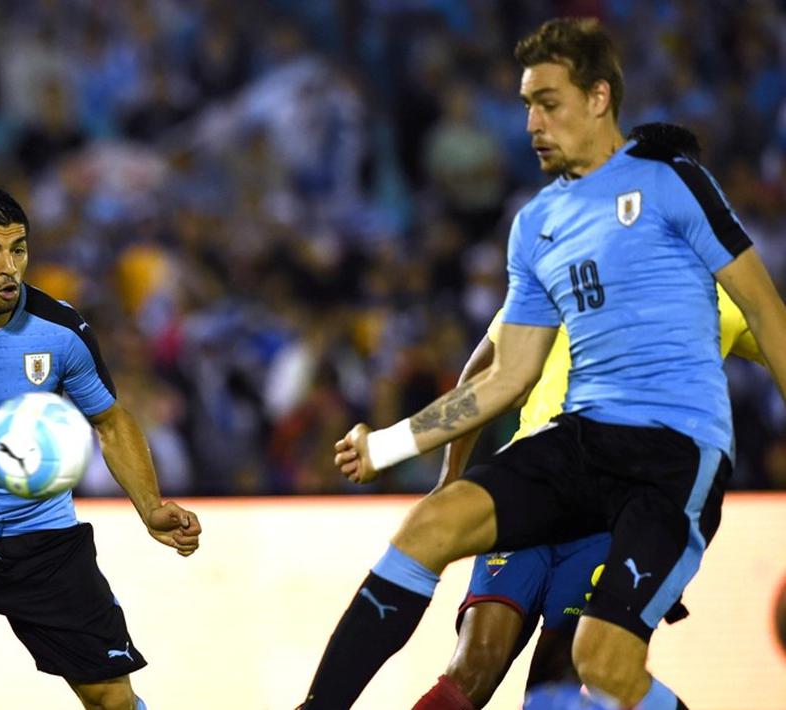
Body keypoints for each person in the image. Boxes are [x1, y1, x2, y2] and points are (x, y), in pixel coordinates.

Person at [302, 18, 786, 709]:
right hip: (578, 441)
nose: (530, 122)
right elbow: (504, 374)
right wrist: (385, 445)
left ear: (597, 98)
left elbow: (769, 317)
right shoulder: (535, 225)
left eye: (548, 102)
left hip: (672, 455)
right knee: (430, 527)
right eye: (526, 103)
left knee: (600, 666)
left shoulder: (672, 181)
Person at [413, 129, 766, 707]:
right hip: (528, 492)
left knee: (554, 685)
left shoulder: (717, 301)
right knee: (473, 667)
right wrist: (449, 482)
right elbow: (482, 371)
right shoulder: (568, 264)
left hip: (608, 514)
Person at [0, 186, 202, 710]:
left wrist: (150, 506)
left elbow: (110, 420)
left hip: (43, 541)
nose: (9, 267)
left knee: (112, 698)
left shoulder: (61, 331)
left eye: (19, 249)